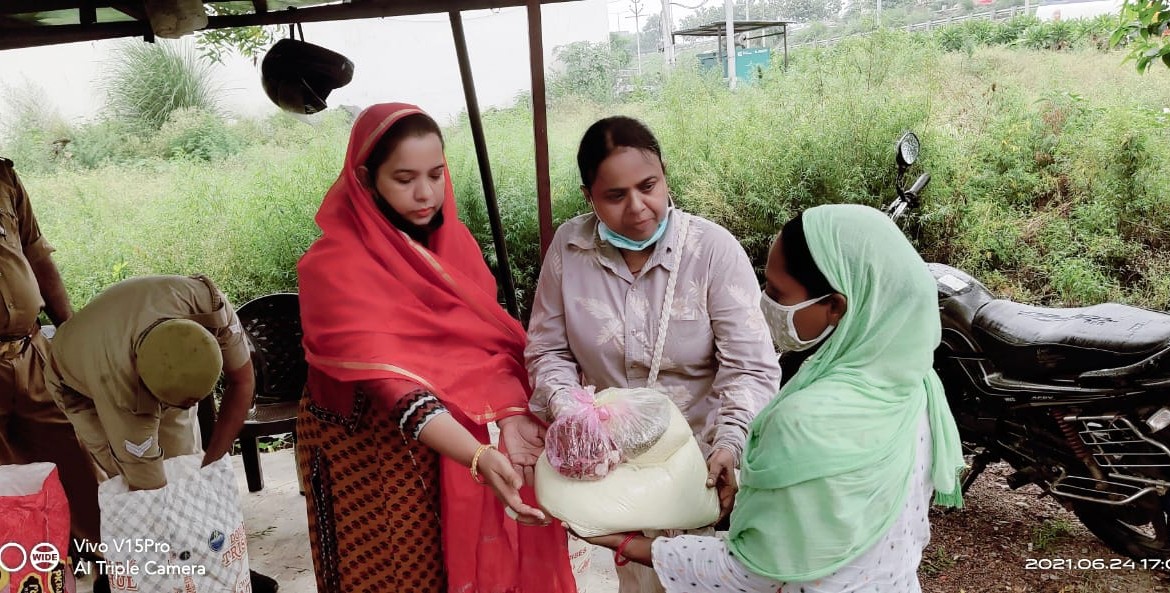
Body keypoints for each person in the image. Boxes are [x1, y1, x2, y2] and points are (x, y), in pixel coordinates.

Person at [581, 204, 966, 593]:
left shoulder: (805, 420)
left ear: (835, 305)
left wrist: (632, 544)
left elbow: (752, 572)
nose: (765, 302)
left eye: (776, 292)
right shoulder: (917, 389)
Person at [295, 102, 577, 593]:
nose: (426, 194)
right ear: (365, 178)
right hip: (364, 456)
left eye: (436, 174)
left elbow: (483, 346)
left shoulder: (453, 245)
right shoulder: (333, 267)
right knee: (388, 576)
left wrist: (511, 414)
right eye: (404, 179)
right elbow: (392, 387)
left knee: (449, 571)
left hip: (443, 450)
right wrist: (478, 457)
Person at [524, 116, 782, 593]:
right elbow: (547, 351)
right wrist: (574, 415)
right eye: (614, 196)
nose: (638, 208)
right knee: (637, 583)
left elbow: (749, 367)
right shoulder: (570, 249)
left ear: (665, 173)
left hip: (702, 472)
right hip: (609, 474)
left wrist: (730, 444)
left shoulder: (711, 252)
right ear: (589, 197)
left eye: (648, 186)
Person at [43, 274, 279, 593]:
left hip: (143, 347)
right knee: (133, 492)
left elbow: (243, 382)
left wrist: (209, 468)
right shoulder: (121, 393)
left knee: (186, 473)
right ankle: (143, 576)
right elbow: (149, 490)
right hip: (78, 382)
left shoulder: (208, 305)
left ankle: (214, 564)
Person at [0, 157, 102, 554]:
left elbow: (37, 257)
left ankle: (118, 568)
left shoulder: (3, 177)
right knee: (10, 502)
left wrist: (73, 336)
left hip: (30, 353)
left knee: (79, 466)